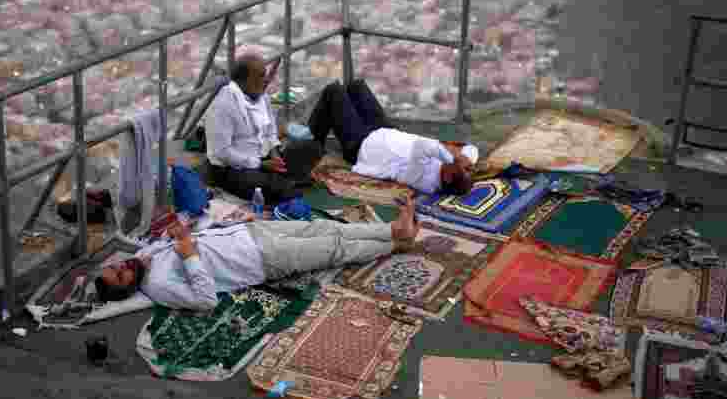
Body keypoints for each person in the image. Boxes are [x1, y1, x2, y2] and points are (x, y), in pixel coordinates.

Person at [94, 194, 422, 311]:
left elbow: (159, 241)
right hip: (260, 260)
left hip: (249, 233)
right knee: (333, 248)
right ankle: (395, 243)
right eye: (121, 274)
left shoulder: (145, 260)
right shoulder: (159, 286)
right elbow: (206, 300)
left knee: (323, 228)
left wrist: (178, 233)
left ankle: (393, 231)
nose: (124, 266)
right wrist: (188, 253)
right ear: (127, 289)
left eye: (117, 266)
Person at [307, 79, 477, 196]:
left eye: (460, 168)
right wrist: (465, 159)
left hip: (362, 146)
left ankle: (311, 147)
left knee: (333, 91)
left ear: (448, 178)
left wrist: (454, 158)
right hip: (386, 132)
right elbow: (471, 149)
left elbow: (424, 146)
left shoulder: (424, 180)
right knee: (356, 86)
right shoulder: (447, 168)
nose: (459, 163)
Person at [204, 53, 301, 205]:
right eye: (261, 76)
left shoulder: (262, 97)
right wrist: (260, 164)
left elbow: (270, 131)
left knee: (308, 149)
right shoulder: (223, 106)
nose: (266, 80)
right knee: (278, 188)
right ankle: (281, 183)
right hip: (232, 169)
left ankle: (282, 180)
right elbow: (222, 153)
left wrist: (274, 153)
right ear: (244, 80)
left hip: (262, 158)